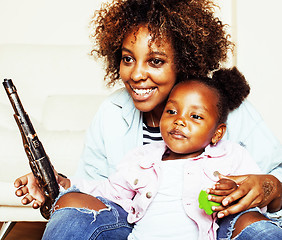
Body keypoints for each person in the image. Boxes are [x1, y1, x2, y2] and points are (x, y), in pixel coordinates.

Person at [13, 0, 282, 239]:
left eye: (155, 61)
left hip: (213, 228)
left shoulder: (226, 107)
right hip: (135, 226)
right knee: (71, 205)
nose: (136, 74)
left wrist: (270, 188)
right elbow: (98, 189)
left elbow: (275, 179)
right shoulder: (112, 112)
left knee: (254, 225)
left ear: (184, 62)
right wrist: (57, 183)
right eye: (128, 58)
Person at [44, 67, 282, 240]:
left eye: (195, 116)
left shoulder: (231, 156)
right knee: (70, 202)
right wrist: (65, 183)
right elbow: (108, 191)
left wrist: (233, 194)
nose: (179, 121)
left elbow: (255, 198)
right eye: (171, 111)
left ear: (217, 133)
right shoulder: (142, 158)